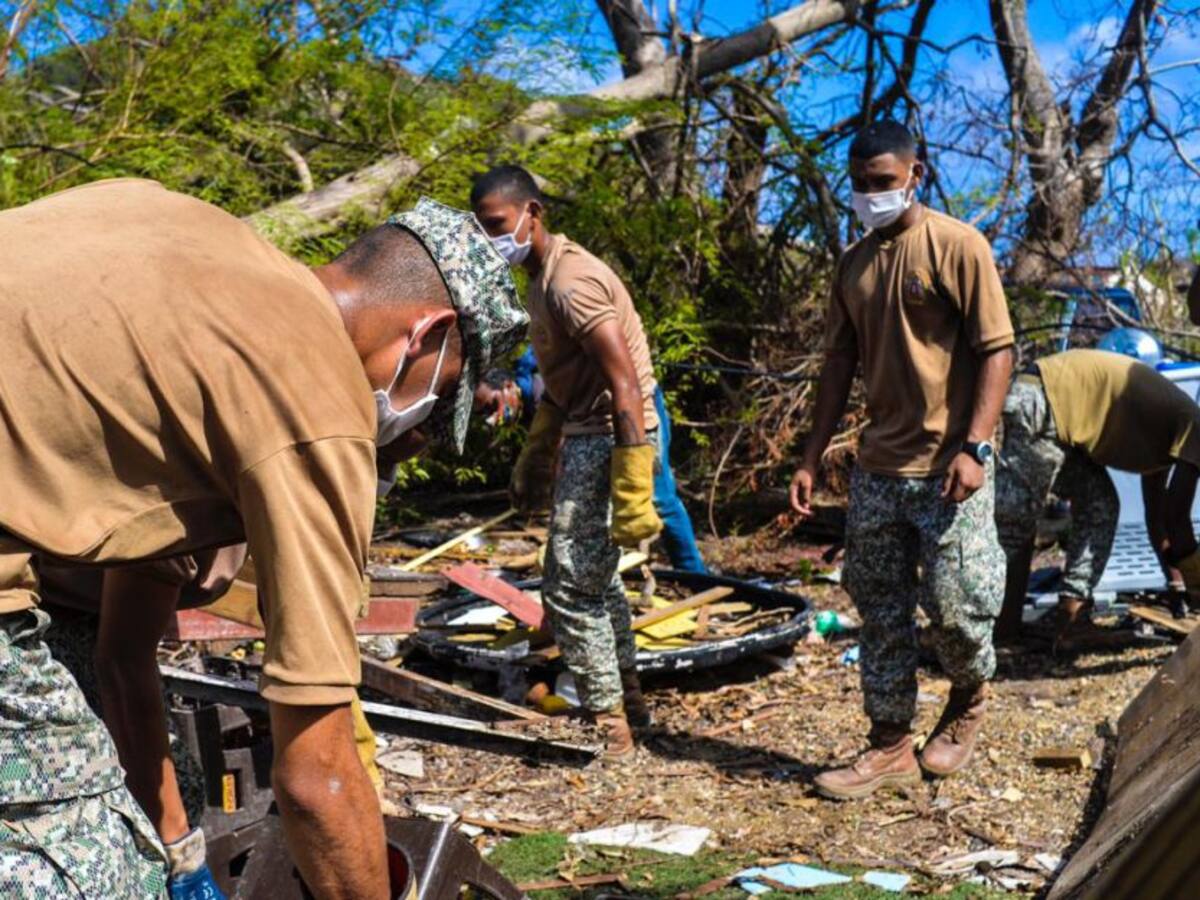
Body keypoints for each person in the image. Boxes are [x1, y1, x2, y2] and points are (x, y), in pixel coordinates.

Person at [0, 180, 526, 898]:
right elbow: (318, 773)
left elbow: (120, 657)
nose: (419, 434)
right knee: (94, 870)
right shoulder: (316, 402)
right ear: (427, 336)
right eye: (443, 396)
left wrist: (182, 853)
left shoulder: (191, 240)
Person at [789, 121, 1014, 800]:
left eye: (882, 183)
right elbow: (837, 365)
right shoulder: (853, 265)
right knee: (880, 608)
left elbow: (997, 350)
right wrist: (809, 457)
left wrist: (975, 446)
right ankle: (888, 743)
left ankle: (970, 696)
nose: (869, 195)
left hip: (950, 464)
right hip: (879, 469)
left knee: (954, 607)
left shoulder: (957, 246)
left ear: (916, 173)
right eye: (859, 185)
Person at [35, 546, 387, 900]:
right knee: (97, 851)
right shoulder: (178, 521)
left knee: (174, 797)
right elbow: (121, 661)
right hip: (38, 622)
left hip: (88, 613)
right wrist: (183, 860)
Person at [470, 165, 663, 758]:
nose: (490, 239)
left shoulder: (570, 282)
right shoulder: (540, 278)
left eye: (497, 224)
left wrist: (633, 489)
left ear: (533, 212)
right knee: (596, 583)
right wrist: (537, 451)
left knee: (569, 587)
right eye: (480, 228)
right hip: (590, 432)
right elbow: (562, 384)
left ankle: (612, 730)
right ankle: (629, 704)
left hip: (611, 435)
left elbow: (625, 384)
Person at [995, 348, 1200, 642]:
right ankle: (994, 629)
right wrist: (1197, 580)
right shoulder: (1194, 428)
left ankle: (1070, 618)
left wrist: (1177, 588)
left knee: (1100, 506)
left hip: (1052, 405)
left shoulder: (1169, 436)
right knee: (1016, 522)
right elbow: (1177, 519)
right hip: (1044, 398)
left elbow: (1158, 519)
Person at [475, 353, 708, 574]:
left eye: (490, 404)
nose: (490, 417)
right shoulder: (530, 404)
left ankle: (696, 576)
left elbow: (564, 460)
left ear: (507, 385)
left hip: (639, 406)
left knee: (660, 498)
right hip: (608, 420)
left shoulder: (540, 390)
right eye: (482, 413)